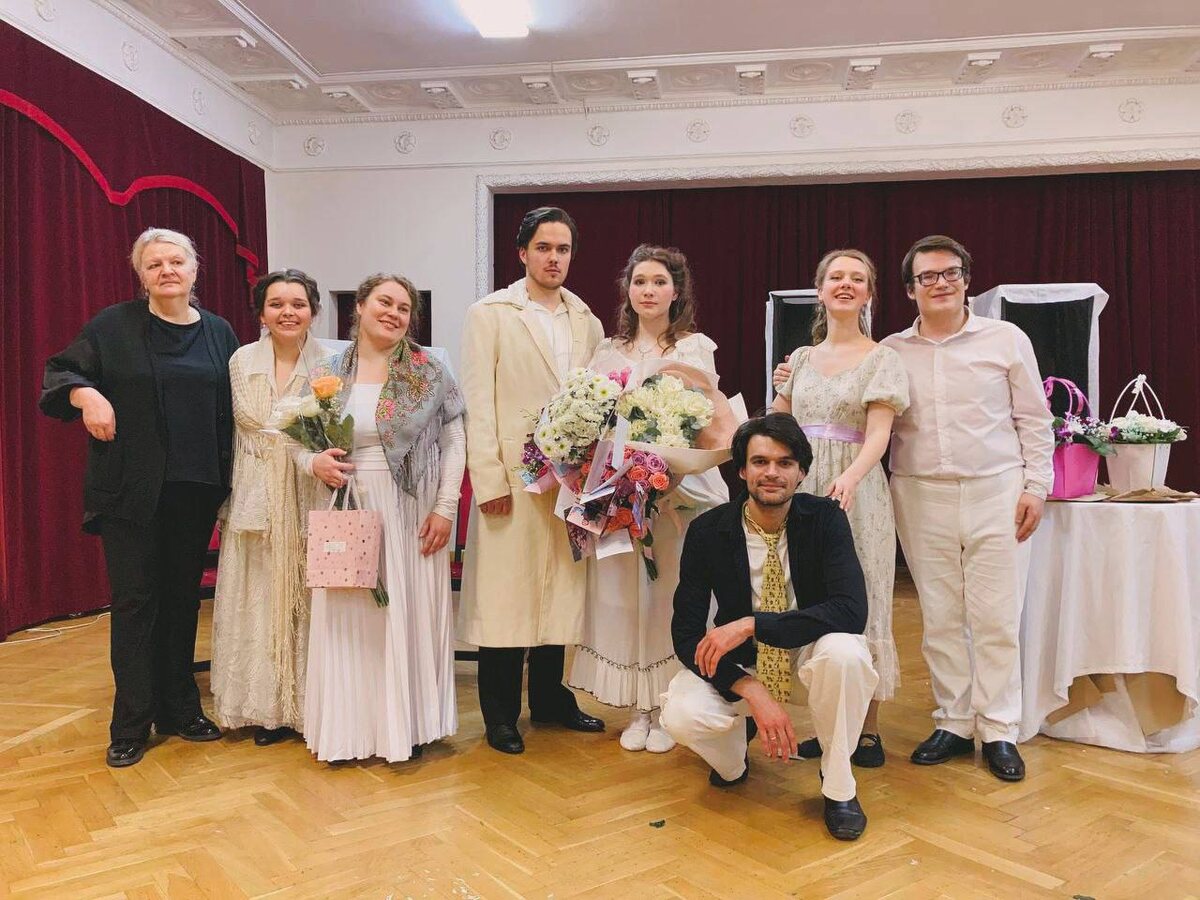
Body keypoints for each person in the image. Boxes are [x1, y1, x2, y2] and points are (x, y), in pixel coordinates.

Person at [40, 227, 240, 768]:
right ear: (141, 275)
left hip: (196, 489)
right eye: (154, 264)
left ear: (194, 270)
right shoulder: (112, 326)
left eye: (176, 261)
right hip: (130, 491)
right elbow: (60, 373)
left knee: (181, 600)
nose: (167, 271)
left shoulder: (219, 332)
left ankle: (180, 709)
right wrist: (87, 394)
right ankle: (130, 722)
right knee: (135, 603)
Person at [660, 413, 878, 841]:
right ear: (742, 471)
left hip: (808, 657)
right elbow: (686, 635)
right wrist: (750, 689)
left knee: (847, 654)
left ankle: (839, 787)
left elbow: (851, 611)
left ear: (802, 472)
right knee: (680, 713)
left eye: (785, 462)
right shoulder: (708, 531)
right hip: (745, 665)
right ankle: (733, 762)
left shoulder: (826, 519)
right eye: (760, 462)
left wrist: (751, 624)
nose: (772, 473)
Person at [882, 235, 1052, 782]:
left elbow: (1034, 418)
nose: (941, 283)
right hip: (918, 492)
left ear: (967, 280)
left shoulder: (1006, 339)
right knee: (940, 616)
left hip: (996, 489)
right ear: (910, 290)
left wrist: (1037, 486)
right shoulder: (890, 351)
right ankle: (954, 721)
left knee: (996, 616)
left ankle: (999, 727)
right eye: (927, 276)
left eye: (950, 272)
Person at [298, 274, 465, 763]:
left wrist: (445, 507)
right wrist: (313, 462)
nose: (393, 313)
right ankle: (350, 733)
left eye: (403, 308)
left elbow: (455, 441)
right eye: (384, 303)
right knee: (351, 619)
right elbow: (295, 440)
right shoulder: (328, 371)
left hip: (412, 506)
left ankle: (408, 728)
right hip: (349, 505)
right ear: (360, 306)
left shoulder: (428, 371)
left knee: (404, 614)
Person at [568, 244, 728, 754]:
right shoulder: (607, 350)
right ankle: (638, 708)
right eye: (640, 282)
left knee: (668, 597)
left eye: (659, 282)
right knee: (623, 596)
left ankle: (668, 705)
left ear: (676, 291)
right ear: (628, 290)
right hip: (619, 494)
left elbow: (704, 420)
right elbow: (594, 421)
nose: (649, 291)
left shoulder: (695, 348)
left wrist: (667, 480)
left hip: (676, 493)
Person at [459, 207, 606, 754]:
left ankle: (550, 699)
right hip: (513, 477)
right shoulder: (490, 314)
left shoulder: (587, 320)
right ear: (522, 252)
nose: (554, 258)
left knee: (561, 589)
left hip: (571, 479)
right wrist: (489, 481)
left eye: (563, 249)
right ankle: (500, 713)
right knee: (507, 594)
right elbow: (477, 402)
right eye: (543, 247)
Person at [771, 249, 909, 767]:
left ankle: (866, 732)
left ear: (869, 293)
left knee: (861, 595)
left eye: (857, 278)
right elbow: (777, 424)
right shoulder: (801, 359)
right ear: (821, 289)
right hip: (801, 488)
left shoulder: (882, 358)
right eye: (836, 277)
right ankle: (827, 727)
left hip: (857, 488)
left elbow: (878, 434)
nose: (845, 284)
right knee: (806, 594)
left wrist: (849, 478)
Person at [210, 269, 329, 746]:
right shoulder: (241, 360)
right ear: (260, 313)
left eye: (298, 304)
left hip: (310, 492)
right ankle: (266, 709)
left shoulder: (332, 363)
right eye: (276, 304)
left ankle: (312, 707)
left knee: (310, 598)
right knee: (257, 598)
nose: (287, 312)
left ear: (313, 311)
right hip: (256, 493)